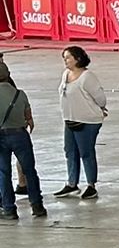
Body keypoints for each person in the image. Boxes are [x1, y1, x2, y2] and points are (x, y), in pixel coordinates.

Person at [54, 45, 107, 200]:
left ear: (77, 59)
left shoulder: (87, 77)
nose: (65, 60)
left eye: (68, 57)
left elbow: (100, 98)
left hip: (87, 120)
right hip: (70, 119)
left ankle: (91, 185)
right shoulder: (66, 74)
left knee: (86, 152)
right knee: (70, 151)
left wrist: (101, 108)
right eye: (64, 58)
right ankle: (72, 183)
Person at [0, 60, 45, 220]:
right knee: (30, 171)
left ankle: (9, 209)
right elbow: (28, 118)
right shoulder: (20, 94)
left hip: (1, 138)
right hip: (20, 135)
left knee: (3, 173)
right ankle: (37, 206)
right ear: (8, 75)